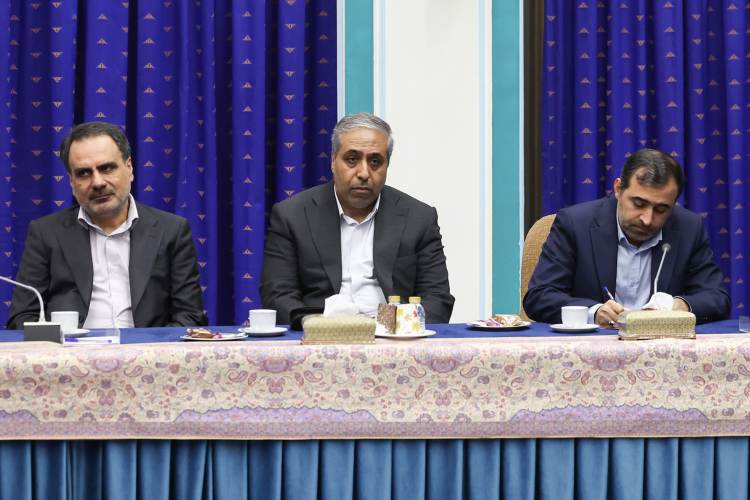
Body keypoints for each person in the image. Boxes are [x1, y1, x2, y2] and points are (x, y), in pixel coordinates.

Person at [259, 112, 454, 328]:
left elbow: (437, 298)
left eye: (375, 161)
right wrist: (319, 326)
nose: (363, 172)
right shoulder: (292, 215)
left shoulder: (418, 217)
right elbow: (277, 294)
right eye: (352, 159)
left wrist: (390, 328)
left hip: (394, 335)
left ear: (387, 166)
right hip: (320, 335)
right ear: (333, 161)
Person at [6, 122, 207, 330]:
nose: (98, 182)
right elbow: (22, 318)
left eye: (107, 168)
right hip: (70, 348)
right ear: (71, 182)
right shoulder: (46, 233)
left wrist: (150, 348)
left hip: (147, 348)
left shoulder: (172, 230)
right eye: (84, 173)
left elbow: (189, 315)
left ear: (129, 168)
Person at [524, 149, 731, 327]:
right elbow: (540, 296)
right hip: (591, 349)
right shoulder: (575, 224)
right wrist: (594, 313)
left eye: (661, 209)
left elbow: (717, 299)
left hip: (661, 349)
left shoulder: (689, 228)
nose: (647, 219)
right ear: (618, 189)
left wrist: (679, 306)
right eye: (639, 204)